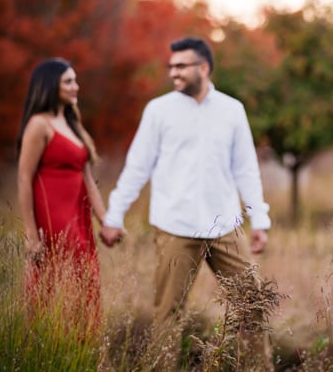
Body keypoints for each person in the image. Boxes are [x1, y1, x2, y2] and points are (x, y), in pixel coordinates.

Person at [100, 37, 272, 367]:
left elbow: (246, 169)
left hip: (224, 227)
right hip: (175, 227)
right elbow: (138, 166)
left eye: (181, 66)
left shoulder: (232, 110)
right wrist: (114, 215)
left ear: (203, 68)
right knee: (169, 314)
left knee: (252, 303)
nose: (173, 72)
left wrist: (260, 220)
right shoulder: (158, 110)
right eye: (171, 66)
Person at [16, 58, 106, 334]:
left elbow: (87, 178)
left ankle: (83, 347)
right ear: (50, 85)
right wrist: (32, 236)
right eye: (68, 81)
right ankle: (50, 346)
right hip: (53, 218)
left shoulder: (71, 122)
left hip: (79, 219)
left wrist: (107, 221)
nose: (75, 86)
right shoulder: (39, 125)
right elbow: (23, 178)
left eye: (74, 80)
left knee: (87, 280)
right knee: (56, 283)